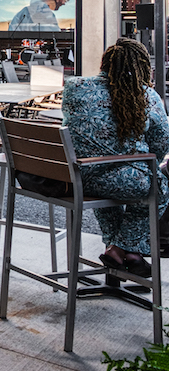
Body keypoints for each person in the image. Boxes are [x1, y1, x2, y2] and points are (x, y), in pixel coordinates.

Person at [62, 38, 169, 277]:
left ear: (105, 63)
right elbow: (161, 145)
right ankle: (122, 250)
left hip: (78, 176)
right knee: (159, 186)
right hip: (124, 180)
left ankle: (119, 254)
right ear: (142, 67)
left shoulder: (74, 87)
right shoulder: (147, 96)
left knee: (110, 179)